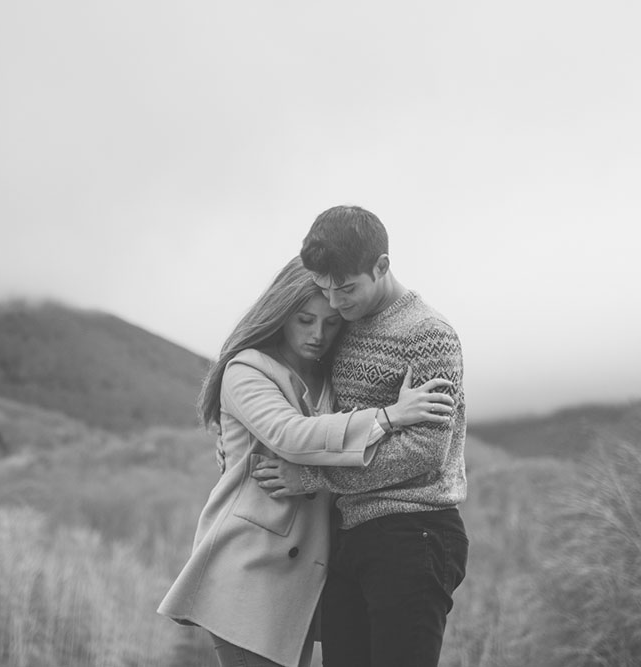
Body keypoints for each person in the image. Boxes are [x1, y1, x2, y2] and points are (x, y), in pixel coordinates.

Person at [157, 256, 455, 667]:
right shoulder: (246, 369)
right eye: (305, 320)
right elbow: (291, 436)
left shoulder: (328, 375)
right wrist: (389, 417)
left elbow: (329, 454)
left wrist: (317, 475)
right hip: (252, 571)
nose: (318, 334)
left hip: (304, 579)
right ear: (280, 313)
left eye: (331, 323)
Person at [253, 206, 468, 667]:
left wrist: (314, 476)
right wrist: (234, 431)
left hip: (414, 532)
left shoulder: (429, 336)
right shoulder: (342, 324)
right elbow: (309, 402)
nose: (334, 301)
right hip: (347, 535)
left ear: (382, 266)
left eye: (346, 288)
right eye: (326, 288)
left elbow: (425, 452)